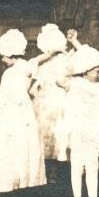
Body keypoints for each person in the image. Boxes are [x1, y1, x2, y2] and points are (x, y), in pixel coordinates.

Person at [56, 45, 99, 197]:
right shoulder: (75, 83)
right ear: (85, 71)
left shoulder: (98, 87)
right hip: (77, 129)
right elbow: (59, 80)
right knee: (77, 165)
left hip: (93, 129)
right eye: (96, 71)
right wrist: (71, 64)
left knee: (93, 165)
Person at [0, 29, 47, 193]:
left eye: (4, 56)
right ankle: (25, 179)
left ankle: (12, 181)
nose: (3, 60)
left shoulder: (11, 73)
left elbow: (9, 97)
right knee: (25, 145)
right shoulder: (26, 67)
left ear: (11, 54)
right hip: (25, 112)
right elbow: (38, 61)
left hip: (12, 114)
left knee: (12, 146)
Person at [31, 23, 70, 184]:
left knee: (58, 133)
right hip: (44, 100)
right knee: (44, 133)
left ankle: (55, 169)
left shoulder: (64, 59)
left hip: (59, 100)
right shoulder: (42, 61)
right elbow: (36, 80)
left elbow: (66, 78)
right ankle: (46, 170)